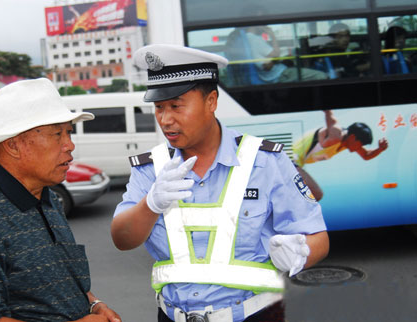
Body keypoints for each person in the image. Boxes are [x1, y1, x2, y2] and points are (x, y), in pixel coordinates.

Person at [111, 44, 329, 322]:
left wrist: (301, 253)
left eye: (176, 106)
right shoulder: (151, 168)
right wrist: (150, 204)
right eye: (159, 108)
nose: (166, 120)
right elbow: (122, 239)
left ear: (211, 101)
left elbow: (318, 236)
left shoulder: (264, 161)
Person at [0, 78, 122, 322]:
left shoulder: (47, 197)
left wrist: (94, 304)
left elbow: (60, 282)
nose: (70, 145)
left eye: (69, 132)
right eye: (57, 134)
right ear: (13, 145)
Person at [292, 110, 389, 201]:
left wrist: (379, 149)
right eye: (360, 144)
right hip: (290, 160)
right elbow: (330, 116)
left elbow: (366, 155)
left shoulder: (346, 142)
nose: (359, 148)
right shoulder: (337, 135)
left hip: (294, 163)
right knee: (316, 194)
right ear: (353, 137)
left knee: (309, 195)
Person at [225, 26, 327, 85]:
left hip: (274, 73)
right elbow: (276, 54)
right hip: (279, 74)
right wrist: (272, 34)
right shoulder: (254, 39)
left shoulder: (246, 39)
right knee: (321, 76)